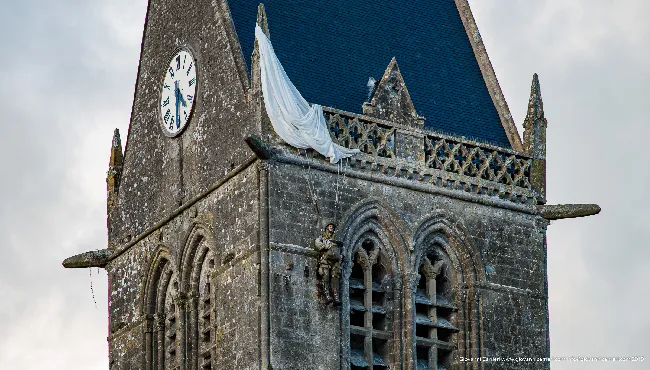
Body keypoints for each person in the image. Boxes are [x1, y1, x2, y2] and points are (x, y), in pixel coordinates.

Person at [315, 223, 343, 305]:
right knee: (325, 276)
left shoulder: (336, 238)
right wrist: (325, 246)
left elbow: (341, 249)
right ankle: (327, 296)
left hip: (336, 260)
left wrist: (341, 255)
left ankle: (336, 297)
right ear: (327, 228)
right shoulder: (323, 237)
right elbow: (317, 243)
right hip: (326, 259)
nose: (331, 228)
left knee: (335, 278)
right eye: (330, 226)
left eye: (332, 227)